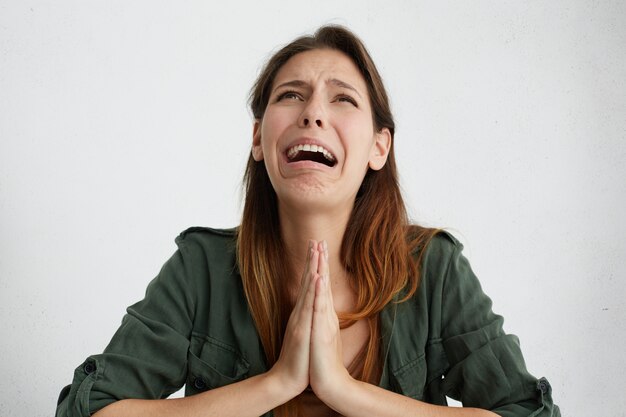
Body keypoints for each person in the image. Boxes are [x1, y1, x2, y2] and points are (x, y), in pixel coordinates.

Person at [55, 25, 560, 417]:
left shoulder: (434, 269)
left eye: (342, 98)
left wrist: (344, 391)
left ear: (378, 147)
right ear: (259, 139)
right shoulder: (200, 269)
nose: (313, 112)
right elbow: (88, 410)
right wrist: (276, 383)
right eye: (291, 95)